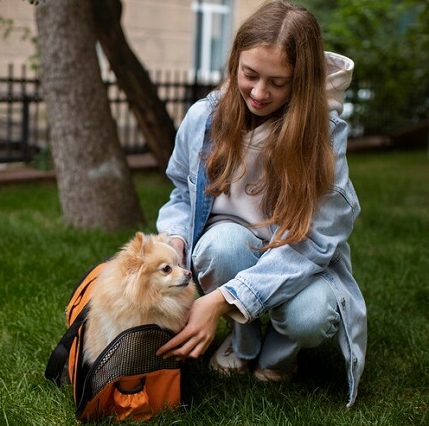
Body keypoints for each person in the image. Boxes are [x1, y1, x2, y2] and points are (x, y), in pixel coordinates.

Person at [155, 0, 367, 407]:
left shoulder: (321, 137)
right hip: (231, 246)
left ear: (301, 82)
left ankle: (279, 356)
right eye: (249, 75)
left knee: (311, 316)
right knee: (219, 246)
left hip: (295, 256)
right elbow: (182, 192)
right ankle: (244, 342)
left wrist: (219, 301)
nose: (258, 92)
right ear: (235, 62)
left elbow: (318, 241)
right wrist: (175, 243)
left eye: (278, 82)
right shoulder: (205, 117)